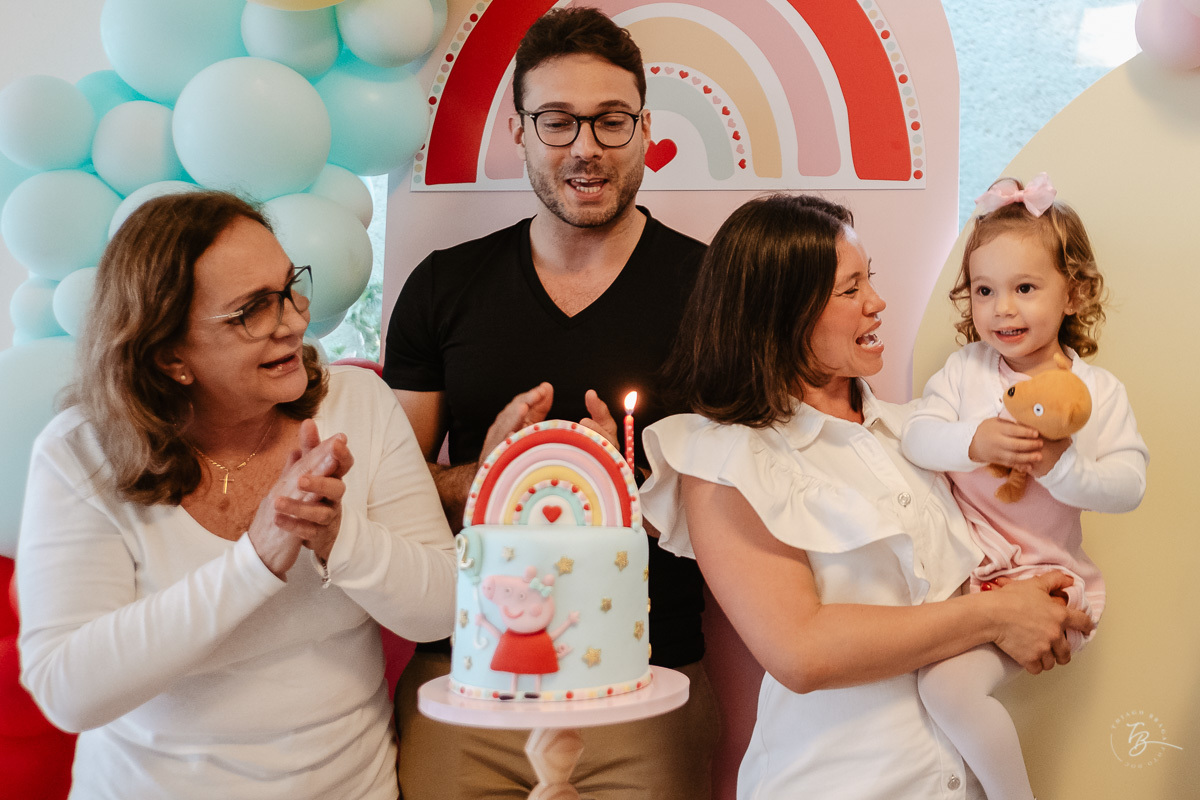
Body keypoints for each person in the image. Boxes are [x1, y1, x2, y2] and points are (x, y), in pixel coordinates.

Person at [639, 193, 1094, 799]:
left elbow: (1011, 542)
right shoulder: (723, 458)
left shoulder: (921, 435)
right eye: (850, 289)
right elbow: (801, 650)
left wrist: (1044, 600)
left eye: (869, 279)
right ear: (783, 311)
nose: (877, 303)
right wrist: (994, 616)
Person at [16, 191, 458, 800]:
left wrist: (339, 537)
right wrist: (255, 561)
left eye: (288, 288)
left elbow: (443, 606)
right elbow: (68, 690)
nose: (295, 320)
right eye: (252, 310)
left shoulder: (358, 403)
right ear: (171, 355)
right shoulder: (80, 453)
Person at [382, 7, 717, 799]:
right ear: (519, 130)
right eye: (559, 122)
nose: (586, 149)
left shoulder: (713, 289)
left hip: (649, 678)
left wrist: (644, 480)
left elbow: (763, 493)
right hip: (468, 679)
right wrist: (486, 476)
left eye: (610, 121)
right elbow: (386, 493)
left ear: (644, 128)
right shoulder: (443, 286)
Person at [899, 175, 1148, 799]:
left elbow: (1128, 484)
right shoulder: (965, 372)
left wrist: (1060, 467)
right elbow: (916, 439)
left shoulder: (1097, 391)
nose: (1002, 309)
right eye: (984, 291)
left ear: (1075, 293)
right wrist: (973, 440)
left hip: (1046, 582)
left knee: (946, 688)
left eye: (1025, 288)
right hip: (963, 577)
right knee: (932, 704)